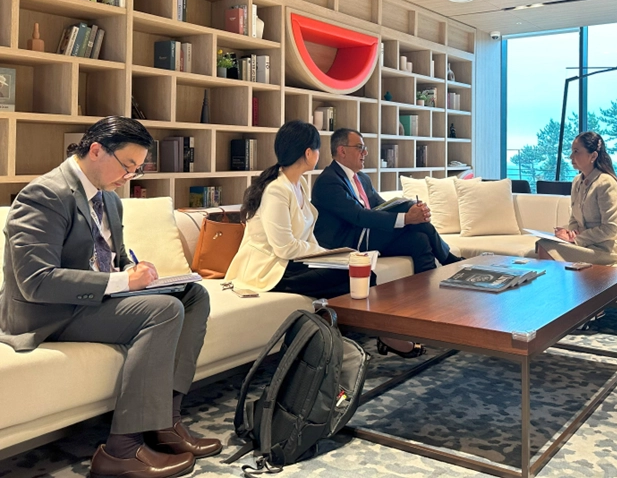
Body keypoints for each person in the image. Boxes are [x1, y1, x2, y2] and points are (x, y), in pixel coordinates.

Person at [0, 117, 220, 478]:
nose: (129, 177)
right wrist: (121, 281)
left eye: (136, 170)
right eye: (127, 166)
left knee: (193, 294)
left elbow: (108, 259)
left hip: (86, 302)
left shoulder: (110, 200)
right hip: (47, 312)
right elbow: (35, 282)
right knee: (163, 310)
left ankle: (164, 421)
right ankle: (122, 449)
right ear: (97, 150)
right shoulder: (44, 195)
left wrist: (133, 271)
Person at [226, 121, 423, 358]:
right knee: (356, 274)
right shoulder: (276, 190)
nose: (320, 155)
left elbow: (306, 238)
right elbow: (284, 246)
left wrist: (332, 255)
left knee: (357, 268)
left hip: (293, 262)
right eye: (318, 149)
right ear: (308, 153)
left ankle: (335, 339)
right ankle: (376, 336)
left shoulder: (297, 186)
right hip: (271, 269)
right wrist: (325, 255)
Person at [311, 128, 461, 275]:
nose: (365, 153)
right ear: (342, 151)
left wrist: (414, 210)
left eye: (365, 148)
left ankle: (426, 294)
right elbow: (359, 216)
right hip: (348, 243)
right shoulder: (329, 181)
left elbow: (382, 206)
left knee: (419, 240)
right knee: (410, 212)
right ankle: (449, 260)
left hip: (368, 236)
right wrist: (407, 217)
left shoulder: (362, 178)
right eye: (360, 148)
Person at [536, 131, 617, 266]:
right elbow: (574, 217)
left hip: (604, 248)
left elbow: (610, 229)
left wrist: (576, 238)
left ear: (593, 156)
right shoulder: (577, 181)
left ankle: (555, 286)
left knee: (545, 246)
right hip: (583, 244)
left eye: (576, 151)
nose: (571, 156)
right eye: (572, 151)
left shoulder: (606, 183)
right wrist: (570, 234)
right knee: (543, 243)